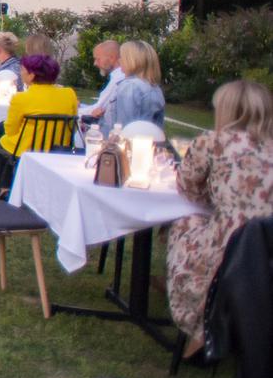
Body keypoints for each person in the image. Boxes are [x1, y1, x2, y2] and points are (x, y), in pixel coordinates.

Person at [168, 80, 273, 358]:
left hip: (233, 251)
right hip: (267, 253)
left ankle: (202, 320)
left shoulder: (212, 142)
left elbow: (189, 190)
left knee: (185, 223)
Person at [0, 53, 80, 167]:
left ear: (31, 75)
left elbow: (11, 130)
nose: (20, 73)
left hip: (25, 148)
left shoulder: (21, 98)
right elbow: (71, 125)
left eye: (22, 70)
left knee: (2, 134)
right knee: (1, 127)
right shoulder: (69, 94)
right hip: (57, 147)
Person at [100, 40, 166, 137]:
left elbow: (124, 128)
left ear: (131, 60)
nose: (119, 61)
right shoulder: (155, 88)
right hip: (148, 142)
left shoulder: (129, 86)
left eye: (122, 57)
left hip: (115, 143)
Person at [84, 39, 125, 125]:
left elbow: (98, 109)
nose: (95, 63)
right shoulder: (117, 76)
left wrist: (72, 109)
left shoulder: (118, 79)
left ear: (112, 58)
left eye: (98, 59)